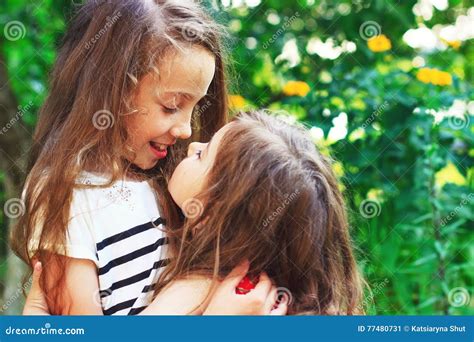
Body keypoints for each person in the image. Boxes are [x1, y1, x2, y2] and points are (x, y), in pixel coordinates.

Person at [13, 0, 281, 316]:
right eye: (170, 106)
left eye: (194, 107)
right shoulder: (65, 192)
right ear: (112, 89)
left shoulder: (168, 180)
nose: (185, 129)